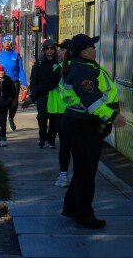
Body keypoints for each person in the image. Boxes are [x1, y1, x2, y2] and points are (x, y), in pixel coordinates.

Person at [60, 34, 126, 229]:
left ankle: (71, 206)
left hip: (78, 125)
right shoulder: (82, 71)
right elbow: (93, 102)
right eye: (91, 46)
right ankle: (83, 213)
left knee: (81, 170)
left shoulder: (84, 67)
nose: (95, 49)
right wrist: (114, 117)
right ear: (83, 52)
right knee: (87, 172)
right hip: (84, 127)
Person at [22, 39, 60, 148]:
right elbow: (33, 79)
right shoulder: (39, 63)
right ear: (44, 50)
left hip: (54, 96)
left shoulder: (58, 64)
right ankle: (42, 138)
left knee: (54, 119)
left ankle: (51, 140)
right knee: (42, 118)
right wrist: (34, 93)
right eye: (47, 48)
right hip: (41, 95)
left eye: (52, 48)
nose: (49, 50)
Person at [50, 39, 72, 187]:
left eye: (63, 49)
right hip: (62, 110)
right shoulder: (58, 67)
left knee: (66, 145)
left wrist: (33, 97)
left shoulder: (67, 68)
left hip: (68, 112)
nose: (60, 51)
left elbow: (47, 85)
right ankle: (66, 174)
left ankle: (64, 175)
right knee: (67, 145)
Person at [0, 35, 25, 131]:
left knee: (14, 104)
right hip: (1, 82)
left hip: (14, 82)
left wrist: (24, 83)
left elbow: (20, 70)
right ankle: (3, 125)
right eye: (5, 42)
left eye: (9, 42)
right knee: (3, 103)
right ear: (2, 44)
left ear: (12, 43)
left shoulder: (16, 55)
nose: (7, 44)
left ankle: (11, 117)